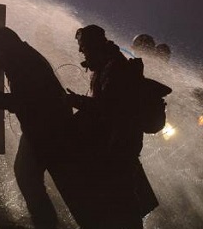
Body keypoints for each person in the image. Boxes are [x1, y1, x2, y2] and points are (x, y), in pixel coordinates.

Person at [0, 27, 90, 229]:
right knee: (39, 177)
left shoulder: (22, 64)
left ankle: (48, 223)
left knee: (34, 177)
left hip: (47, 131)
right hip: (46, 128)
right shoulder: (23, 56)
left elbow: (22, 102)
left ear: (6, 49)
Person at [65, 24, 157, 229]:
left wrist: (76, 102)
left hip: (120, 143)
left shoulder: (113, 68)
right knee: (119, 198)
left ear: (94, 44)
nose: (80, 51)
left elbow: (107, 107)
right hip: (116, 142)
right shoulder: (106, 65)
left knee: (122, 198)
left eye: (83, 46)